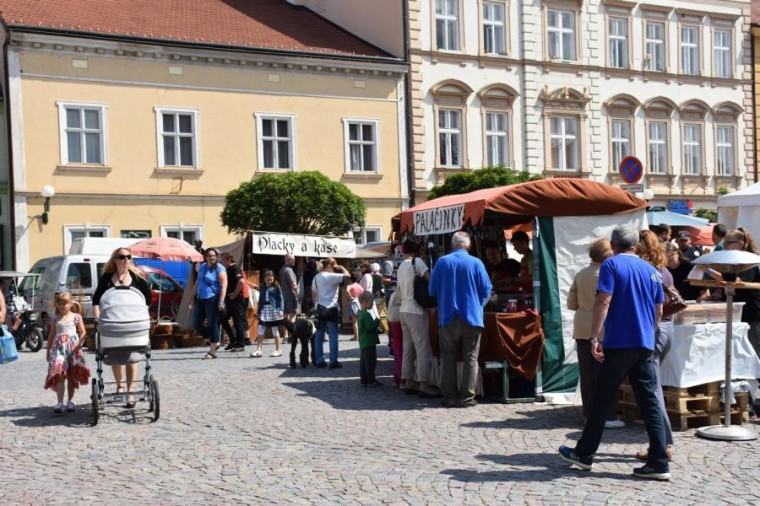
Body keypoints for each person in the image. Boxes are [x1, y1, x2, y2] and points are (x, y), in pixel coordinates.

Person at [558, 225, 670, 481]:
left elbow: (604, 300)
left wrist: (595, 336)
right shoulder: (652, 270)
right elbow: (659, 310)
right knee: (650, 402)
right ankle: (659, 461)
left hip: (619, 342)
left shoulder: (611, 266)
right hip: (644, 342)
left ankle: (585, 453)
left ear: (614, 244)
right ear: (636, 245)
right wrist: (648, 334)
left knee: (601, 399)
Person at [429, 231, 492, 408]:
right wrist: (477, 304)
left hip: (447, 317)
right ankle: (467, 398)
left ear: (451, 246)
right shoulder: (477, 263)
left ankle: (449, 397)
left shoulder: (442, 262)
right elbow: (487, 290)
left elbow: (432, 291)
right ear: (469, 246)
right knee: (471, 359)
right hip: (472, 317)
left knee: (448, 358)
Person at [567, 238, 624, 427]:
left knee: (587, 374)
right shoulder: (610, 273)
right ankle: (607, 416)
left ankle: (588, 413)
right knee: (607, 374)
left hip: (582, 327)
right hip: (604, 329)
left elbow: (571, 304)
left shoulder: (581, 274)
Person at [93, 247, 152, 407]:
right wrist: (97, 317)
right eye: (122, 257)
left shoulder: (137, 277)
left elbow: (147, 298)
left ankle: (131, 390)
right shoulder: (106, 278)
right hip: (113, 323)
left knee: (132, 356)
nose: (126, 259)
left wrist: (142, 314)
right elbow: (97, 299)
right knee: (116, 356)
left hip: (132, 324)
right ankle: (120, 385)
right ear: (115, 259)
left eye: (128, 257)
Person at [636, 230, 675, 459]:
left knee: (653, 391)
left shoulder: (646, 272)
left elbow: (656, 309)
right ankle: (659, 445)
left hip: (656, 330)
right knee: (654, 387)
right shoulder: (665, 271)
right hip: (668, 330)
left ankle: (663, 446)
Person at [719, 228, 760, 418]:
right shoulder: (738, 261)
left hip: (753, 317)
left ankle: (755, 407)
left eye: (728, 243)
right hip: (742, 316)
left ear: (740, 244)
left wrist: (709, 271)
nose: (724, 247)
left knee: (755, 359)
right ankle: (750, 404)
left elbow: (738, 283)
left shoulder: (749, 262)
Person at [396, 240, 439, 398]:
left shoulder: (401, 266)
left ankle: (408, 382)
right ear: (417, 251)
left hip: (403, 310)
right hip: (416, 309)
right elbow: (431, 280)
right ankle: (423, 384)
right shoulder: (418, 262)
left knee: (408, 348)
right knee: (423, 348)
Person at [44, 292, 89, 414]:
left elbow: (83, 332)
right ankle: (59, 402)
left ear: (70, 304)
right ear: (56, 305)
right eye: (59, 304)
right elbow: (51, 335)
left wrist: (80, 342)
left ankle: (71, 400)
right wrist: (48, 350)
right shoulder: (55, 319)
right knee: (60, 374)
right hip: (59, 349)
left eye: (64, 303)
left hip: (73, 349)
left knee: (72, 375)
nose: (62, 306)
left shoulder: (76, 317)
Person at [311, 257, 350, 368]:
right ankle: (333, 361)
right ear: (328, 266)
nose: (334, 268)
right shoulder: (332, 276)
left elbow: (314, 294)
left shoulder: (315, 278)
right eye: (333, 266)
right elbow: (347, 275)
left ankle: (319, 361)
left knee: (319, 335)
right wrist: (342, 267)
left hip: (320, 308)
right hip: (331, 308)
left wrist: (316, 306)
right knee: (333, 335)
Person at [190, 248, 228, 360]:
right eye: (209, 255)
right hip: (201, 298)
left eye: (213, 255)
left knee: (212, 324)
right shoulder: (203, 267)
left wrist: (221, 301)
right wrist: (191, 297)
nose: (211, 257)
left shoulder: (220, 268)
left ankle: (212, 352)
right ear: (205, 257)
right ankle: (214, 340)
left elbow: (224, 285)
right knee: (196, 323)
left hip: (213, 298)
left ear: (216, 256)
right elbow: (197, 282)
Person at [250, 269, 284, 358]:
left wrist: (281, 310)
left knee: (274, 330)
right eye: (268, 279)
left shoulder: (276, 287)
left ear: (273, 279)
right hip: (264, 310)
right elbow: (260, 301)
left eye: (271, 279)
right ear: (264, 279)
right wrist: (258, 312)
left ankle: (278, 350)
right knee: (261, 329)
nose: (269, 281)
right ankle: (259, 350)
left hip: (273, 310)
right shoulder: (262, 288)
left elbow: (281, 299)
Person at [220, 252, 249, 352]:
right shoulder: (228, 269)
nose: (222, 261)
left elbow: (241, 281)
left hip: (236, 299)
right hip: (229, 299)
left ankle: (241, 344)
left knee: (237, 321)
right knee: (223, 318)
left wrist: (234, 294)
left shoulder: (235, 267)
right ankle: (233, 341)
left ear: (228, 259)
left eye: (223, 259)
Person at [358, 291, 382, 388]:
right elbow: (370, 327)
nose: (373, 304)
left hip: (364, 342)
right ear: (364, 302)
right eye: (371, 302)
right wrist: (377, 321)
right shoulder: (366, 314)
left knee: (364, 362)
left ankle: (364, 380)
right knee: (371, 362)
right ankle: (371, 380)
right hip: (369, 341)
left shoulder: (361, 313)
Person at [385, 288, 403, 388]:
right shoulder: (404, 293)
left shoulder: (393, 295)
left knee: (397, 355)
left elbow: (390, 313)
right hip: (400, 323)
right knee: (402, 354)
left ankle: (397, 379)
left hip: (394, 323)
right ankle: (401, 379)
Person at [279, 254, 298, 344]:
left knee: (286, 316)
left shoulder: (283, 269)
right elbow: (293, 284)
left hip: (284, 296)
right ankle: (292, 335)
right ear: (286, 259)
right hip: (290, 296)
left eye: (294, 259)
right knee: (293, 315)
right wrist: (299, 293)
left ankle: (286, 336)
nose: (293, 261)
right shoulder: (288, 270)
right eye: (291, 259)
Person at [346, 274, 364, 341]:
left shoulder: (350, 286)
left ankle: (356, 336)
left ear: (351, 279)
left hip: (353, 302)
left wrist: (350, 297)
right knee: (360, 320)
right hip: (360, 301)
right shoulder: (359, 286)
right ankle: (361, 335)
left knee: (354, 321)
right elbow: (363, 292)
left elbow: (347, 290)